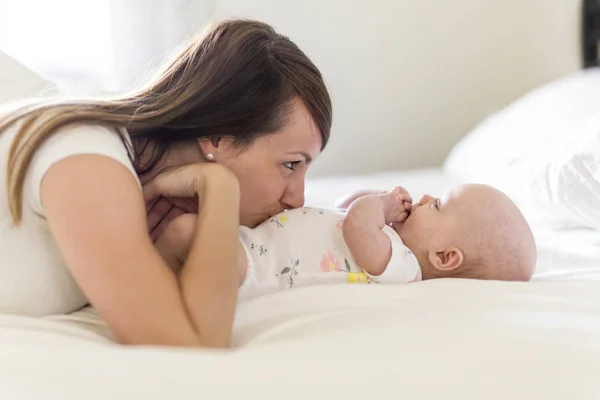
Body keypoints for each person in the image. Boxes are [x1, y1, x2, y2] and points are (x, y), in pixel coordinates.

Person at [0, 19, 332, 348]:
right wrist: (220, 189)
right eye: (290, 164)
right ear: (217, 138)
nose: (298, 199)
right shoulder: (86, 160)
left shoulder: (152, 202)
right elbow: (193, 345)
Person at [157, 184, 537, 299]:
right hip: (256, 243)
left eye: (436, 205)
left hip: (256, 269)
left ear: (444, 256)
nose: (422, 199)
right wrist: (376, 199)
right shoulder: (387, 238)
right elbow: (344, 209)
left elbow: (356, 225)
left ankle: (144, 282)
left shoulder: (401, 266)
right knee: (179, 227)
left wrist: (381, 206)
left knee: (183, 232)